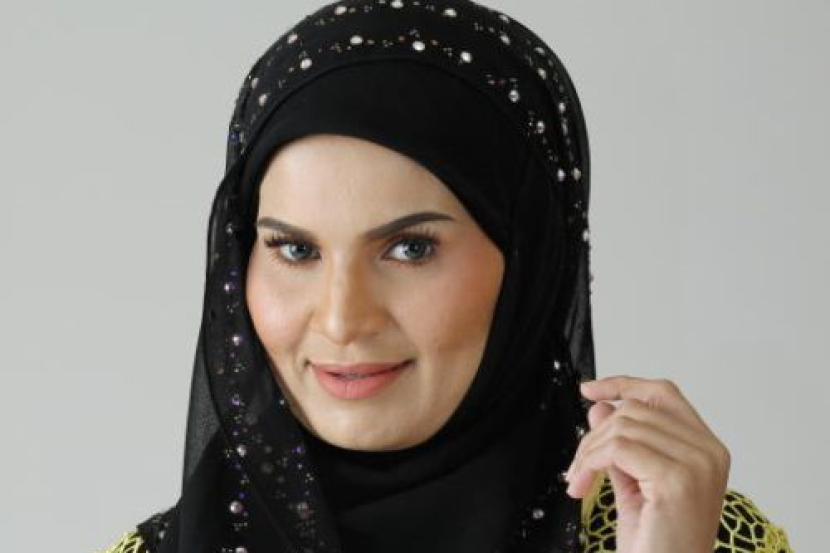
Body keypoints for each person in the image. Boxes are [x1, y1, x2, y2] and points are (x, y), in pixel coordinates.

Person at [97, 1, 792, 552]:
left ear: (529, 266)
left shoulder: (683, 533)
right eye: (296, 250)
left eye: (410, 249)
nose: (342, 318)